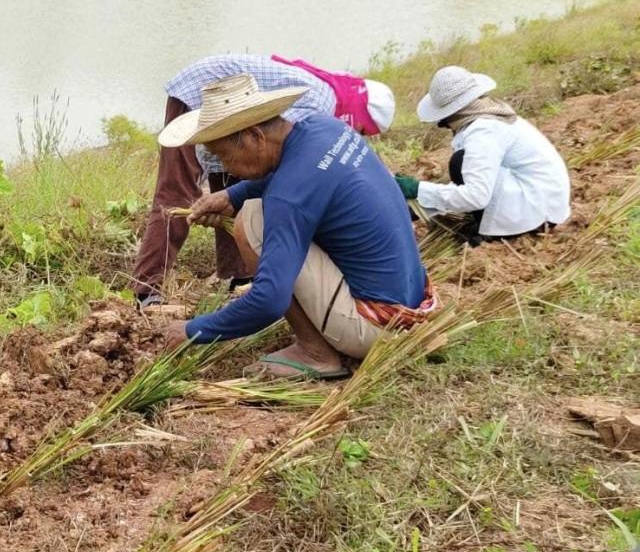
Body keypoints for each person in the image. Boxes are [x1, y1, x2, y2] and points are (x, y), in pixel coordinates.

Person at [160, 74, 435, 379]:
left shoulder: (286, 199)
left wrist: (193, 330)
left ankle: (315, 353)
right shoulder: (326, 129)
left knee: (252, 221)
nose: (225, 168)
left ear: (254, 136)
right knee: (252, 208)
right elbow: (307, 176)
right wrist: (230, 195)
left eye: (224, 155)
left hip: (376, 326)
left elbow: (268, 301)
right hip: (414, 304)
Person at [132, 54, 396, 305]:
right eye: (362, 130)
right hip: (201, 92)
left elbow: (265, 155)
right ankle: (147, 288)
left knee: (238, 177)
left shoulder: (325, 110)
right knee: (177, 191)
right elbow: (278, 156)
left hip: (235, 112)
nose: (358, 135)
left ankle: (241, 275)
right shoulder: (319, 108)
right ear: (357, 116)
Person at [394, 66, 570, 241]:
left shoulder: (483, 131)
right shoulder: (488, 112)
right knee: (462, 165)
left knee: (459, 163)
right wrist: (418, 208)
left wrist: (417, 189)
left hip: (537, 212)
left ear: (449, 115)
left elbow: (475, 195)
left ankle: (500, 233)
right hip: (545, 199)